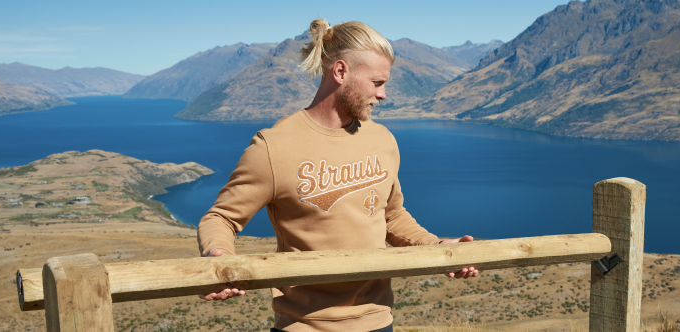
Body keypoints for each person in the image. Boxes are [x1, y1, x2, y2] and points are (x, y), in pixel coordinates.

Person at [196, 19, 479, 332]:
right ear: (341, 72)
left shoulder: (382, 139)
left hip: (379, 322)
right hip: (304, 326)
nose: (383, 94)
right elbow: (220, 218)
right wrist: (217, 258)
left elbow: (392, 217)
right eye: (376, 83)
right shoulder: (273, 147)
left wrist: (438, 246)